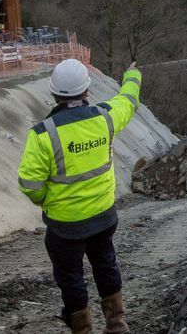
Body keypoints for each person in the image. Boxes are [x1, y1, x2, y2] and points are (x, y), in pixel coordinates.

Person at [18, 58, 142, 334]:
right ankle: (117, 325)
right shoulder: (105, 118)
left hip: (66, 226)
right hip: (103, 216)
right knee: (105, 262)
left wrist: (47, 201)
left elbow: (30, 184)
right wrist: (132, 74)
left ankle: (83, 330)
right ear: (87, 90)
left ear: (54, 93)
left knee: (71, 278)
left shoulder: (43, 134)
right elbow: (129, 100)